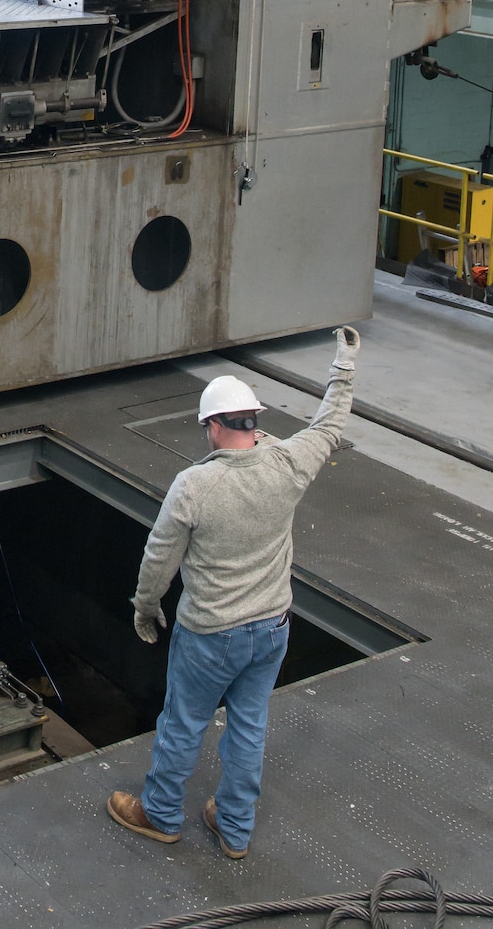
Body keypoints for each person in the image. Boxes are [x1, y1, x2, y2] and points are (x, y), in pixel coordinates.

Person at [107, 326, 360, 859]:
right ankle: (235, 827)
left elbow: (159, 559)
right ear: (256, 422)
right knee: (249, 725)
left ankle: (160, 814)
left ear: (217, 426)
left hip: (210, 636)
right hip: (271, 629)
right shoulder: (289, 463)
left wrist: (146, 609)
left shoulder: (195, 485)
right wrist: (344, 365)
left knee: (183, 723)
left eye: (208, 427)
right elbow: (331, 423)